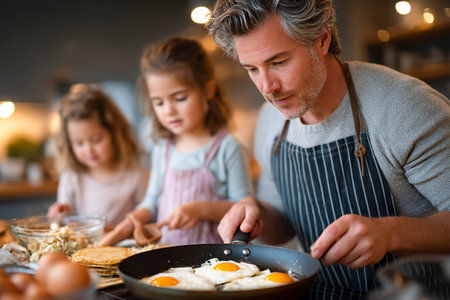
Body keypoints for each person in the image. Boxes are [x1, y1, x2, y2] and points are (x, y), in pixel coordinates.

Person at [207, 0, 450, 299]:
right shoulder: (271, 121)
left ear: (322, 39)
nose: (267, 87)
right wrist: (256, 215)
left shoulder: (405, 108)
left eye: (279, 62)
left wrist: (390, 233)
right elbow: (281, 225)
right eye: (252, 69)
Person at [99, 37, 253, 246]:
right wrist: (136, 217)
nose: (169, 111)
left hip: (213, 261)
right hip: (168, 256)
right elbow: (151, 201)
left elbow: (243, 206)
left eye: (180, 98)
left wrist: (199, 210)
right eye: (159, 102)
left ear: (208, 91)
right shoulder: (163, 148)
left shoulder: (227, 147)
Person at [47, 84, 149, 232]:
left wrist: (119, 231)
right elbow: (63, 223)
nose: (89, 150)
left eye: (96, 140)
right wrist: (58, 213)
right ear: (69, 144)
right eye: (79, 143)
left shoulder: (136, 177)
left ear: (115, 135)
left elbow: (146, 225)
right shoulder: (71, 177)